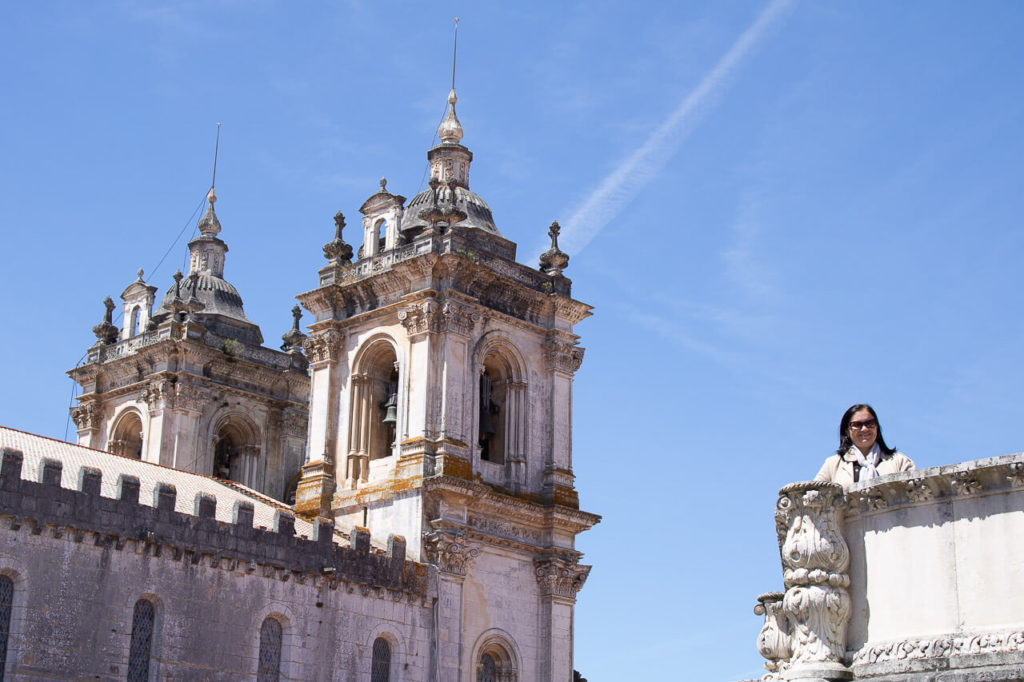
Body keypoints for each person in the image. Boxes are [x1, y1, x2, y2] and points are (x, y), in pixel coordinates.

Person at [815, 404, 914, 485]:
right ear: (847, 431)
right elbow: (813, 496)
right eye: (857, 425)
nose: (864, 429)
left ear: (877, 427)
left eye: (870, 423)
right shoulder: (832, 464)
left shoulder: (899, 461)